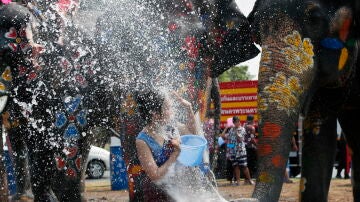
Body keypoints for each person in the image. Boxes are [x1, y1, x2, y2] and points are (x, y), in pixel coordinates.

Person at [135, 90, 196, 201]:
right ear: (155, 114)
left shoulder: (170, 128)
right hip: (158, 194)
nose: (172, 111)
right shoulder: (142, 141)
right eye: (168, 108)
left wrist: (189, 108)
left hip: (178, 188)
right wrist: (175, 154)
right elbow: (155, 175)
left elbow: (191, 135)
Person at [221, 116, 254, 185]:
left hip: (241, 151)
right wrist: (226, 127)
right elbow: (223, 137)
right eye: (235, 122)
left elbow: (240, 139)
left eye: (237, 122)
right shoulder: (231, 130)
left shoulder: (242, 129)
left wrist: (236, 131)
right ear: (233, 122)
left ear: (239, 122)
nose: (236, 123)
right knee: (236, 166)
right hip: (233, 151)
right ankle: (238, 181)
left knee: (244, 166)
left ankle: (250, 180)